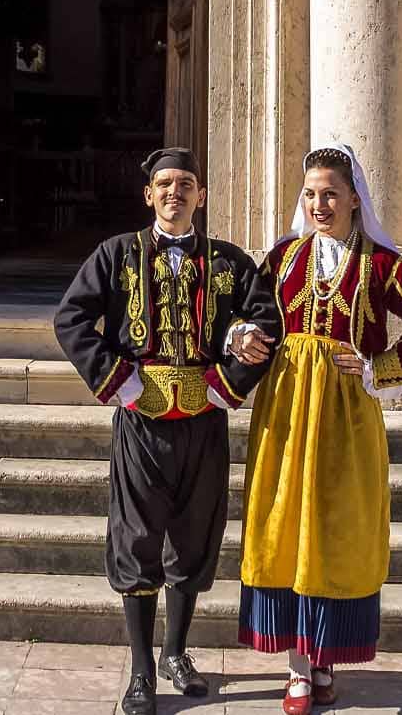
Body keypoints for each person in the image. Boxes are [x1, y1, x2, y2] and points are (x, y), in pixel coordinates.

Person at [53, 147, 280, 715]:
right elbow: (71, 319)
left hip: (204, 420)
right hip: (140, 423)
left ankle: (177, 653)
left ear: (201, 196)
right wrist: (120, 382)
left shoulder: (230, 262)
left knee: (195, 536)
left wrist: (230, 377)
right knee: (137, 540)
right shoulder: (115, 255)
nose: (174, 192)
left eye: (186, 184)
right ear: (149, 195)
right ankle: (141, 670)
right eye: (164, 184)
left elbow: (266, 322)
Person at [227, 144, 402, 713]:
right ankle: (298, 670)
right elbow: (240, 314)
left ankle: (323, 657)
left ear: (354, 197)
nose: (320, 203)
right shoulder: (280, 260)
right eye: (310, 194)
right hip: (284, 409)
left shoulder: (383, 265)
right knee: (285, 524)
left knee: (334, 526)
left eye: (330, 193)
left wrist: (380, 366)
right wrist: (238, 340)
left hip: (347, 413)